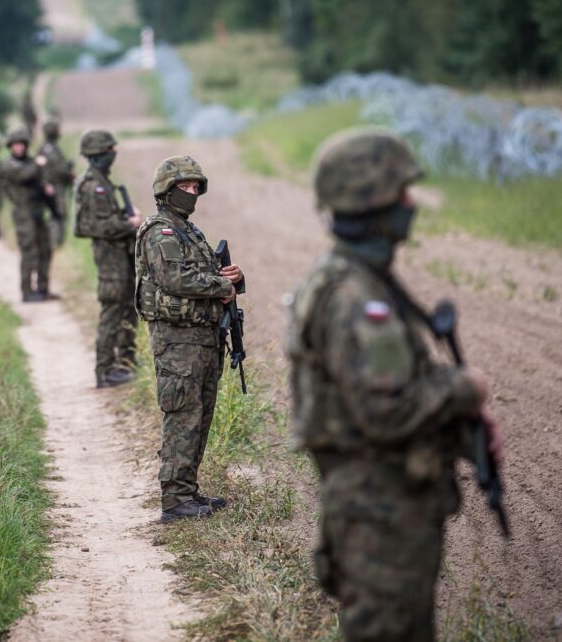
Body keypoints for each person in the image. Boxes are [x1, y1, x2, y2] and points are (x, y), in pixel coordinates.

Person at [286, 129, 503, 640]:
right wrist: (464, 389)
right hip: (378, 516)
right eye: (402, 192)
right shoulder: (358, 297)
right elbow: (386, 410)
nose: (411, 203)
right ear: (375, 202)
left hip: (382, 510)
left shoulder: (357, 278)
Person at [135, 155, 245, 523]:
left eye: (196, 187)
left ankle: (188, 491)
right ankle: (174, 500)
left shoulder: (189, 231)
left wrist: (232, 277)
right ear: (166, 191)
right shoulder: (160, 232)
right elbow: (175, 280)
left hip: (202, 338)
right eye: (184, 187)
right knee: (182, 414)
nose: (192, 192)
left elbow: (208, 275)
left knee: (200, 414)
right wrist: (221, 285)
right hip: (177, 341)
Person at [73, 130, 141, 387]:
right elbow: (100, 226)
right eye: (109, 151)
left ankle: (124, 362)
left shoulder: (103, 181)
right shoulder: (95, 186)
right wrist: (129, 222)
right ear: (98, 155)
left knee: (125, 308)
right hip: (111, 260)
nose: (113, 155)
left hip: (119, 258)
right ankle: (104, 370)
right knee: (112, 311)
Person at [0, 129, 59, 302]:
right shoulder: (10, 165)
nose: (18, 148)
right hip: (23, 213)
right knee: (29, 251)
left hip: (37, 211)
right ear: (10, 147)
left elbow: (39, 180)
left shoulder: (30, 162)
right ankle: (27, 291)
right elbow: (25, 175)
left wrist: (46, 189)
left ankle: (43, 288)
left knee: (45, 250)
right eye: (15, 145)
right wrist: (38, 165)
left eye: (21, 145)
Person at [37, 120, 75, 246]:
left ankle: (55, 242)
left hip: (53, 187)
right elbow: (59, 169)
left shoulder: (46, 147)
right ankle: (55, 243)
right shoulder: (50, 149)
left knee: (57, 215)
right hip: (54, 188)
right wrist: (69, 171)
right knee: (57, 215)